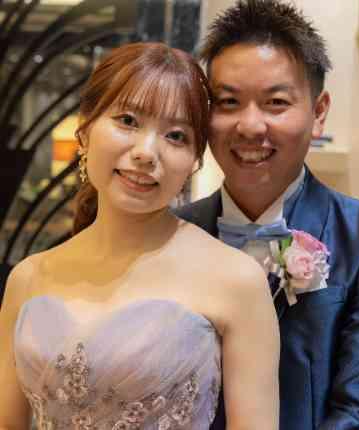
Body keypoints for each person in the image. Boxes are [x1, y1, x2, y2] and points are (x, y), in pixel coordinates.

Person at [0, 42, 280, 430]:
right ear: (85, 129)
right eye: (128, 120)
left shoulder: (236, 280)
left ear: (195, 161)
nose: (147, 153)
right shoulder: (28, 278)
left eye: (176, 136)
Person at [176, 1, 359, 429]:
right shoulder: (172, 235)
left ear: (318, 112)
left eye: (275, 102)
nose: (250, 126)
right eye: (228, 102)